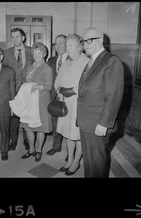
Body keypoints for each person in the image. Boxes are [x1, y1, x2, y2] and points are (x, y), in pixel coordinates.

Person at [77, 27, 124, 177]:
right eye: (83, 41)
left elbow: (113, 95)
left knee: (96, 166)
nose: (85, 45)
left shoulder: (111, 61)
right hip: (86, 122)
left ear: (100, 40)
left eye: (89, 40)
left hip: (98, 123)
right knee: (90, 164)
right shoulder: (91, 61)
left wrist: (104, 123)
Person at [54, 34, 89, 176]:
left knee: (78, 135)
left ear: (80, 47)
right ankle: (69, 160)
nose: (68, 48)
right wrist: (60, 91)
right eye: (67, 45)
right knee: (68, 135)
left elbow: (88, 85)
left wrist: (71, 91)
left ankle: (76, 162)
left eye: (71, 45)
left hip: (79, 104)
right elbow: (57, 81)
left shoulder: (87, 62)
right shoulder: (66, 62)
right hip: (65, 104)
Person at [20, 42, 53, 162]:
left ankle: (39, 150)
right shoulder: (31, 66)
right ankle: (31, 149)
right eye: (34, 53)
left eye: (39, 53)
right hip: (30, 99)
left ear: (44, 54)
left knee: (40, 127)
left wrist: (34, 87)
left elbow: (48, 86)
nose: (37, 55)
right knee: (28, 127)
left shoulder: (47, 68)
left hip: (41, 101)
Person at [3, 28, 34, 151]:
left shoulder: (32, 51)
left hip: (27, 88)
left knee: (27, 114)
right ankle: (13, 140)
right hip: (13, 88)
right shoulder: (6, 53)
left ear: (23, 38)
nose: (15, 39)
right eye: (13, 37)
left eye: (17, 36)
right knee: (14, 116)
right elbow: (4, 71)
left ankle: (27, 140)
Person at [46, 34, 69, 157]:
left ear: (66, 44)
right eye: (56, 43)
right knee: (56, 124)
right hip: (54, 97)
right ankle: (56, 146)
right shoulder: (51, 60)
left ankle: (70, 152)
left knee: (69, 124)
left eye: (61, 43)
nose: (57, 46)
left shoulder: (72, 59)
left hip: (68, 97)